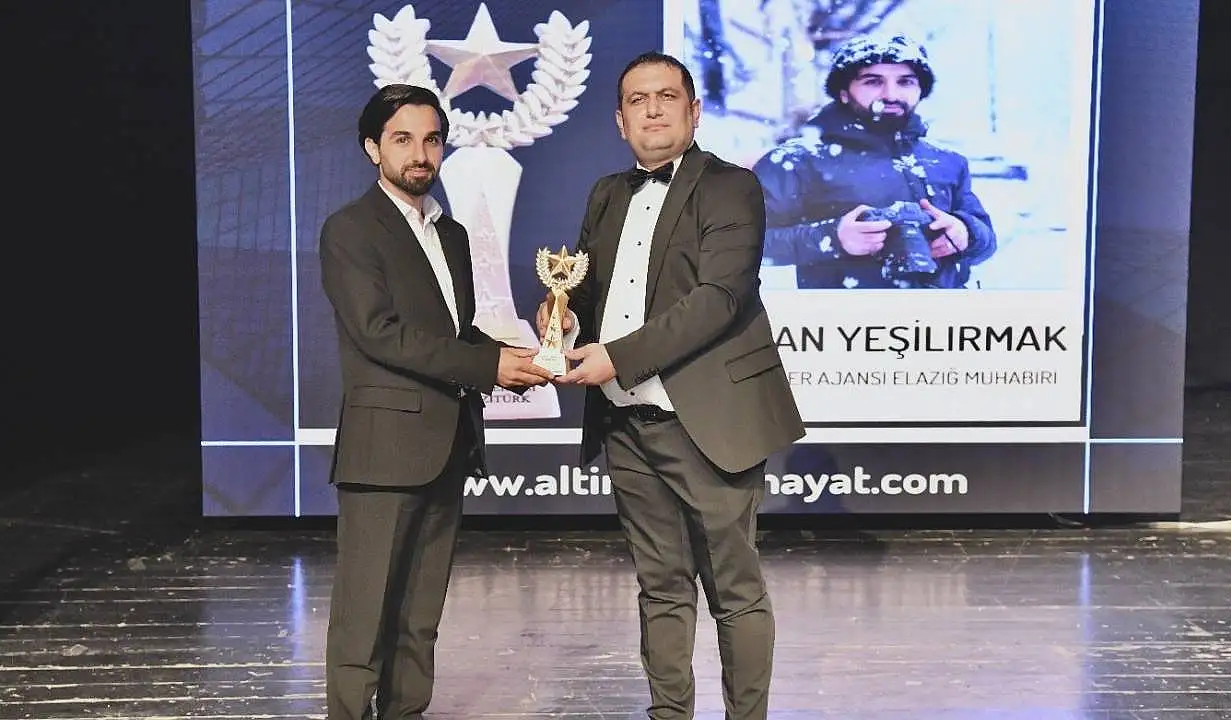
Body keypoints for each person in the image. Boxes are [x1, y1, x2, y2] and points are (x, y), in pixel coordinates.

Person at [537, 52, 805, 720]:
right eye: (637, 99)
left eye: (666, 96)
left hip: (707, 423)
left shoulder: (732, 187)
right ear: (619, 120)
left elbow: (718, 299)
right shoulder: (606, 193)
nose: (652, 109)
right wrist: (562, 317)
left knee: (733, 590)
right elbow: (586, 289)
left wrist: (617, 358)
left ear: (694, 111)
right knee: (660, 587)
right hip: (627, 425)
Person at [318, 83, 552, 720]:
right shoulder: (350, 230)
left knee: (419, 619)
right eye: (403, 139)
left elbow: (455, 333)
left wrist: (520, 358)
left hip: (447, 446)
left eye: (431, 140)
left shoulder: (450, 234)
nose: (420, 154)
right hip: (384, 452)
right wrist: (487, 365)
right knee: (364, 617)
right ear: (373, 148)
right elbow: (380, 333)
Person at [752, 33, 998, 289]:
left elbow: (986, 239)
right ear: (843, 92)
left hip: (943, 312)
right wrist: (832, 238)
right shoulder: (797, 160)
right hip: (844, 314)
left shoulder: (947, 161)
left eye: (905, 82)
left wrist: (966, 232)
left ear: (920, 90)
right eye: (873, 81)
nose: (891, 94)